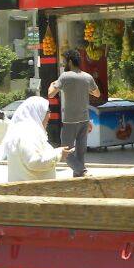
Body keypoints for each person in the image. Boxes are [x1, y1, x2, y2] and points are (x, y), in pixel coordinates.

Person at [47, 49, 100, 178]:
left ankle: (82, 171)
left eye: (65, 61)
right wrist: (86, 90)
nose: (64, 63)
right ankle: (79, 177)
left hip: (70, 121)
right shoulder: (87, 77)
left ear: (70, 61)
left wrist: (52, 84)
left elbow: (50, 94)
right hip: (84, 119)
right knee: (80, 152)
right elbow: (97, 94)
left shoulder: (65, 76)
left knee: (66, 152)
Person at [0, 96, 70, 182]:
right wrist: (58, 154)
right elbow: (34, 162)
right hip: (31, 192)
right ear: (37, 112)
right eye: (47, 111)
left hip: (27, 191)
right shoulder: (28, 134)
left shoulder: (26, 131)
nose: (49, 116)